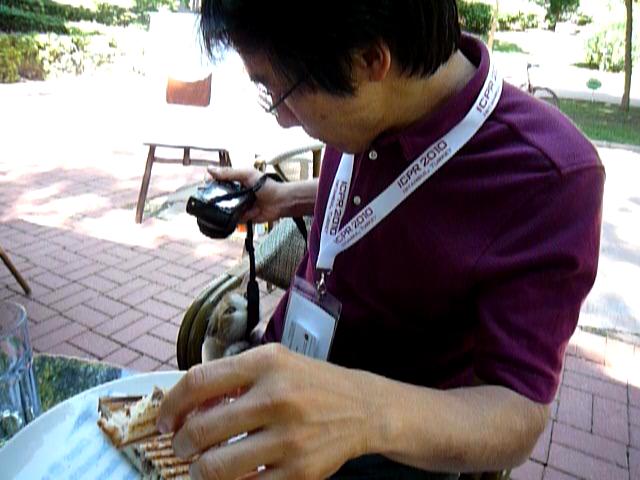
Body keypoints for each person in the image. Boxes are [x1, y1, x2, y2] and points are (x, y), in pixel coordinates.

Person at [157, 1, 605, 479]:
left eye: (280, 92)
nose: (283, 119)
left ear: (371, 59)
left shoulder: (550, 176)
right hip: (278, 375)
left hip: (384, 458)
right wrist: (285, 198)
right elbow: (397, 189)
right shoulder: (368, 96)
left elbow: (518, 415)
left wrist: (358, 413)